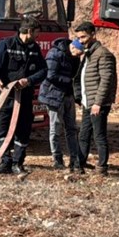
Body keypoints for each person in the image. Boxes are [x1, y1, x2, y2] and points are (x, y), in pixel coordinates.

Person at [0, 17, 47, 175]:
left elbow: (43, 71)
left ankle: (17, 163)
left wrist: (29, 80)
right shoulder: (6, 44)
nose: (38, 36)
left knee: (23, 130)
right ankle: (3, 162)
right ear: (28, 31)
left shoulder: (34, 48)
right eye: (36, 33)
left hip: (24, 96)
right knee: (2, 130)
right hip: (5, 96)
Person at [73, 21, 117, 176]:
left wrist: (98, 103)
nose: (81, 41)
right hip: (88, 102)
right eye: (78, 38)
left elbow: (106, 80)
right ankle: (79, 165)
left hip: (98, 104)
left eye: (83, 37)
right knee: (84, 135)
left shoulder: (103, 54)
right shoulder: (88, 54)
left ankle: (102, 167)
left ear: (93, 34)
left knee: (99, 135)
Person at [38, 36, 82, 171]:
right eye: (78, 53)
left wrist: (77, 95)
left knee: (72, 129)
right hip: (54, 95)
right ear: (73, 47)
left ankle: (75, 160)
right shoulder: (54, 54)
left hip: (68, 95)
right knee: (55, 128)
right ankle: (57, 159)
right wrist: (69, 81)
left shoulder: (75, 56)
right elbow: (50, 75)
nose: (78, 56)